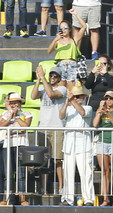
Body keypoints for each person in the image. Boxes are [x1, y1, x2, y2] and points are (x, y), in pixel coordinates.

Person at [0, 93, 33, 205]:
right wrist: (10, 116)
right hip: (7, 144)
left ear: (20, 103)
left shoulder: (27, 113)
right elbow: (0, 125)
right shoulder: (6, 113)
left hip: (21, 144)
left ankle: (22, 199)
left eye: (16, 102)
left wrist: (17, 117)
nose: (14, 105)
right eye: (12, 103)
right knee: (7, 173)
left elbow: (25, 127)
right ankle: (6, 198)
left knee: (21, 173)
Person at [31, 65, 66, 195]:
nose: (52, 77)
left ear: (59, 78)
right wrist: (39, 79)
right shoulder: (43, 87)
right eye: (51, 75)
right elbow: (33, 96)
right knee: (44, 159)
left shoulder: (62, 89)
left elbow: (51, 94)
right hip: (43, 127)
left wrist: (43, 78)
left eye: (54, 76)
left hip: (57, 127)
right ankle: (43, 188)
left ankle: (61, 187)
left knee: (58, 159)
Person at [60, 86, 94, 206]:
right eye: (75, 96)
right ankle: (67, 199)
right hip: (69, 144)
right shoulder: (69, 108)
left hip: (83, 144)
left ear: (84, 97)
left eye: (78, 96)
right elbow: (61, 116)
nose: (76, 98)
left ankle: (89, 199)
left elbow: (82, 112)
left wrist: (72, 101)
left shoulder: (88, 107)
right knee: (68, 173)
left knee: (86, 173)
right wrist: (66, 102)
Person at [47, 10, 86, 88]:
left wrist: (76, 14)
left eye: (65, 28)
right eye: (61, 28)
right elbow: (49, 51)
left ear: (70, 29)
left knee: (71, 91)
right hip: (60, 66)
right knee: (61, 89)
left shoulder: (74, 39)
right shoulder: (58, 41)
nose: (63, 30)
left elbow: (84, 26)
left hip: (72, 65)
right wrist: (55, 39)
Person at [93, 90, 113, 205]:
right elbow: (95, 124)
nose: (108, 101)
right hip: (102, 142)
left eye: (111, 98)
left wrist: (109, 114)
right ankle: (106, 198)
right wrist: (99, 112)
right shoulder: (101, 110)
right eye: (107, 98)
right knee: (105, 172)